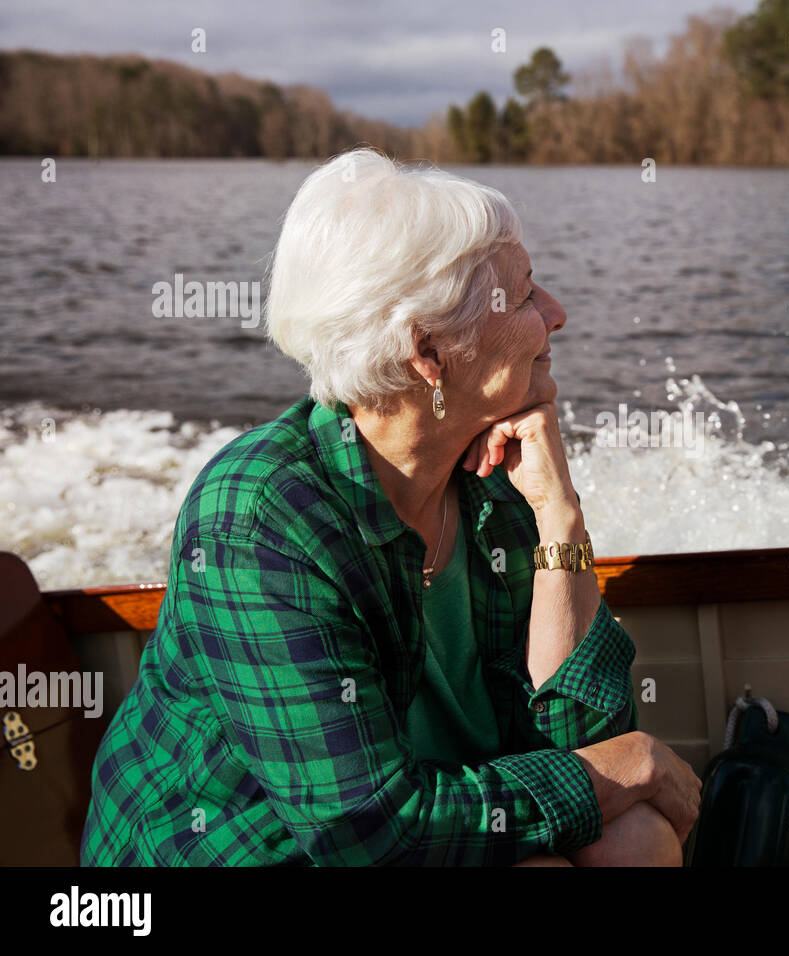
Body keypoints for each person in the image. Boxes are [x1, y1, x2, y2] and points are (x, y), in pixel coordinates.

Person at [80, 148, 701, 866]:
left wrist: (559, 515)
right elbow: (367, 832)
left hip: (431, 823)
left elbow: (581, 739)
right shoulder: (260, 520)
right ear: (427, 350)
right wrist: (621, 768)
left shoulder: (491, 481)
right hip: (251, 857)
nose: (558, 315)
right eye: (527, 295)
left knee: (636, 838)